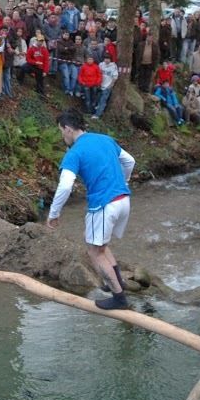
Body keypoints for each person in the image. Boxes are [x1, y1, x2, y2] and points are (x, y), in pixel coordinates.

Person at [47, 109, 136, 310]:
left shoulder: (74, 153)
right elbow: (130, 161)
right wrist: (125, 180)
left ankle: (119, 298)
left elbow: (65, 186)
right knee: (99, 244)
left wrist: (53, 214)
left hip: (104, 204)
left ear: (68, 129)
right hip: (123, 200)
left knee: (94, 251)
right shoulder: (105, 139)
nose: (62, 135)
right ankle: (118, 282)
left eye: (61, 131)